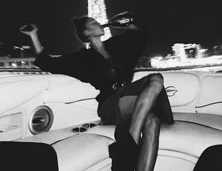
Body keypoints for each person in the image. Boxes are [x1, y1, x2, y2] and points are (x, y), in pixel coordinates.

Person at [20, 12, 174, 171]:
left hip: (129, 101)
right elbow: (48, 63)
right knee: (155, 78)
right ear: (87, 33)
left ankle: (130, 149)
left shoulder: (117, 45)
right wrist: (33, 35)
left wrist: (127, 24)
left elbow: (142, 34)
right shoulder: (82, 59)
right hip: (110, 105)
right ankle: (131, 141)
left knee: (153, 121)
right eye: (93, 23)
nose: (99, 24)